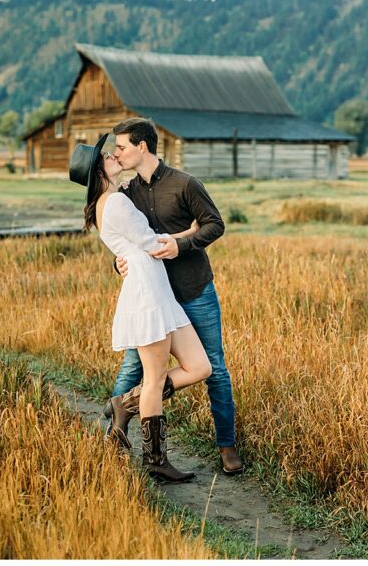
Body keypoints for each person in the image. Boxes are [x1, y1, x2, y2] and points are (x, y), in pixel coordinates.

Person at [105, 116, 244, 475]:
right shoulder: (126, 194)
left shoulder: (185, 184)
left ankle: (226, 446)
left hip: (193, 289)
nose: (116, 154)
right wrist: (117, 263)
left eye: (121, 147)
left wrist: (182, 245)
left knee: (214, 368)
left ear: (142, 147)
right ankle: (112, 431)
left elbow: (215, 224)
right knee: (133, 366)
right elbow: (125, 241)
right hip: (152, 296)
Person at [71, 133, 211, 482]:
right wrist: (187, 233)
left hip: (156, 288)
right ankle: (156, 460)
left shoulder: (111, 201)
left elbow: (135, 245)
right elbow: (150, 244)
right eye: (107, 156)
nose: (113, 156)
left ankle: (123, 403)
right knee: (153, 381)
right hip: (147, 291)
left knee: (200, 366)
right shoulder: (115, 203)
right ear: (98, 172)